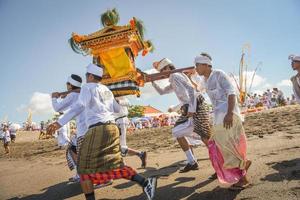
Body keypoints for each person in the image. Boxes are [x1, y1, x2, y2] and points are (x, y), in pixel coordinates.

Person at [47, 63, 157, 200]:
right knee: (114, 164)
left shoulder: (87, 87)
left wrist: (59, 122)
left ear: (91, 76)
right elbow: (117, 109)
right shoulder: (106, 90)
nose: (86, 78)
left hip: (98, 128)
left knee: (83, 169)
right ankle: (146, 182)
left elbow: (80, 105)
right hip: (112, 127)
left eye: (87, 75)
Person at [194, 53, 251, 190]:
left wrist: (230, 113)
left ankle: (243, 178)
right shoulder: (205, 80)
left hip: (228, 115)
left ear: (206, 64)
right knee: (218, 146)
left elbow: (231, 93)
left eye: (197, 65)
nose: (196, 68)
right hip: (218, 116)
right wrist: (188, 75)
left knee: (227, 147)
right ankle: (243, 165)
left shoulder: (219, 74)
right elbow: (196, 89)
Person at [152, 58, 202, 173]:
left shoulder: (175, 76)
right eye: (161, 71)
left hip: (190, 107)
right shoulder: (173, 78)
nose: (163, 72)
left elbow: (190, 88)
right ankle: (192, 161)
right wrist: (153, 81)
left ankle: (193, 161)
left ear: (169, 67)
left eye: (164, 69)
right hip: (188, 107)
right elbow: (162, 91)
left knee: (180, 132)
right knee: (183, 133)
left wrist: (192, 107)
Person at [51, 74, 87, 182]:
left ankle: (80, 174)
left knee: (72, 150)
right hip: (92, 127)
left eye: (67, 84)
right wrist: (64, 93)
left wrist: (53, 97)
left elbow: (57, 108)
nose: (66, 85)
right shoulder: (84, 92)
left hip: (83, 130)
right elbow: (78, 90)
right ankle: (80, 174)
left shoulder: (72, 96)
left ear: (70, 85)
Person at [115, 96, 147, 168]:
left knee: (120, 145)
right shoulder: (110, 95)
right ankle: (123, 165)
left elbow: (128, 103)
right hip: (116, 121)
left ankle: (124, 165)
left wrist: (118, 101)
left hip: (121, 121)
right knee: (117, 145)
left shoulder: (121, 96)